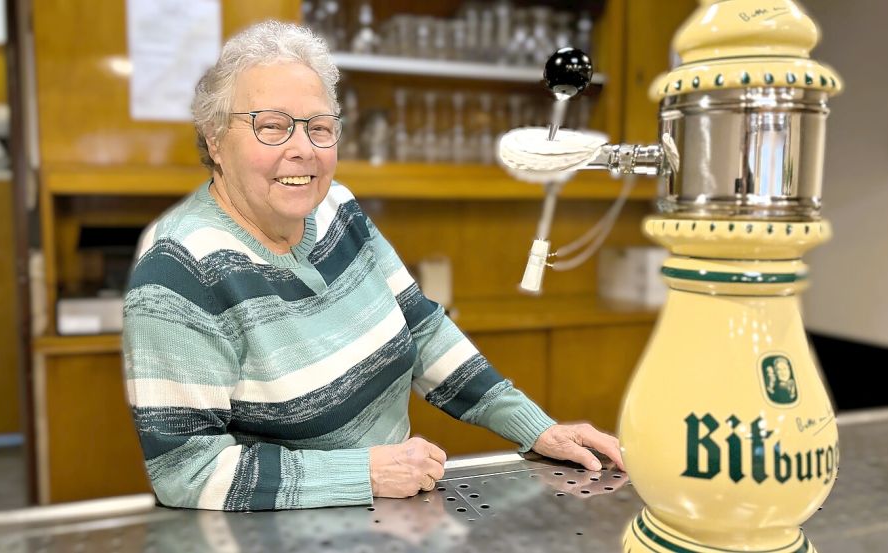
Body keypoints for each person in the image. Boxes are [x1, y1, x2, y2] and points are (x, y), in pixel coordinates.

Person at [123, 20, 624, 512]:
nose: (303, 150)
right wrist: (365, 473)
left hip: (391, 513)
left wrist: (536, 427)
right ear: (215, 139)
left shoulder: (336, 207)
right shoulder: (179, 269)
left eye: (319, 128)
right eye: (271, 127)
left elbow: (423, 330)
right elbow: (188, 473)